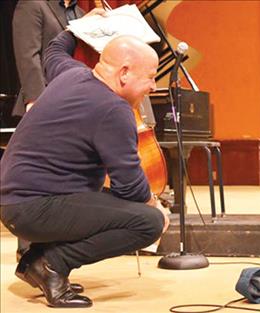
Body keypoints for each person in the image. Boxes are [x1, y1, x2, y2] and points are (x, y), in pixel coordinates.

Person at [0, 10, 170, 308]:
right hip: (34, 207)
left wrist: (82, 25)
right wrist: (156, 208)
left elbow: (54, 49)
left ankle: (37, 260)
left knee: (120, 206)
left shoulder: (72, 73)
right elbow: (130, 188)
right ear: (124, 73)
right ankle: (50, 264)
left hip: (17, 202)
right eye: (151, 77)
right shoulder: (113, 110)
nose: (153, 86)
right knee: (149, 222)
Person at [12, 0, 84, 259]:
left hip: (73, 104)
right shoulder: (33, 4)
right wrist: (36, 101)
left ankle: (52, 259)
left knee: (64, 183)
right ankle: (29, 255)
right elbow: (27, 54)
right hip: (44, 103)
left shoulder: (79, 12)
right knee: (38, 180)